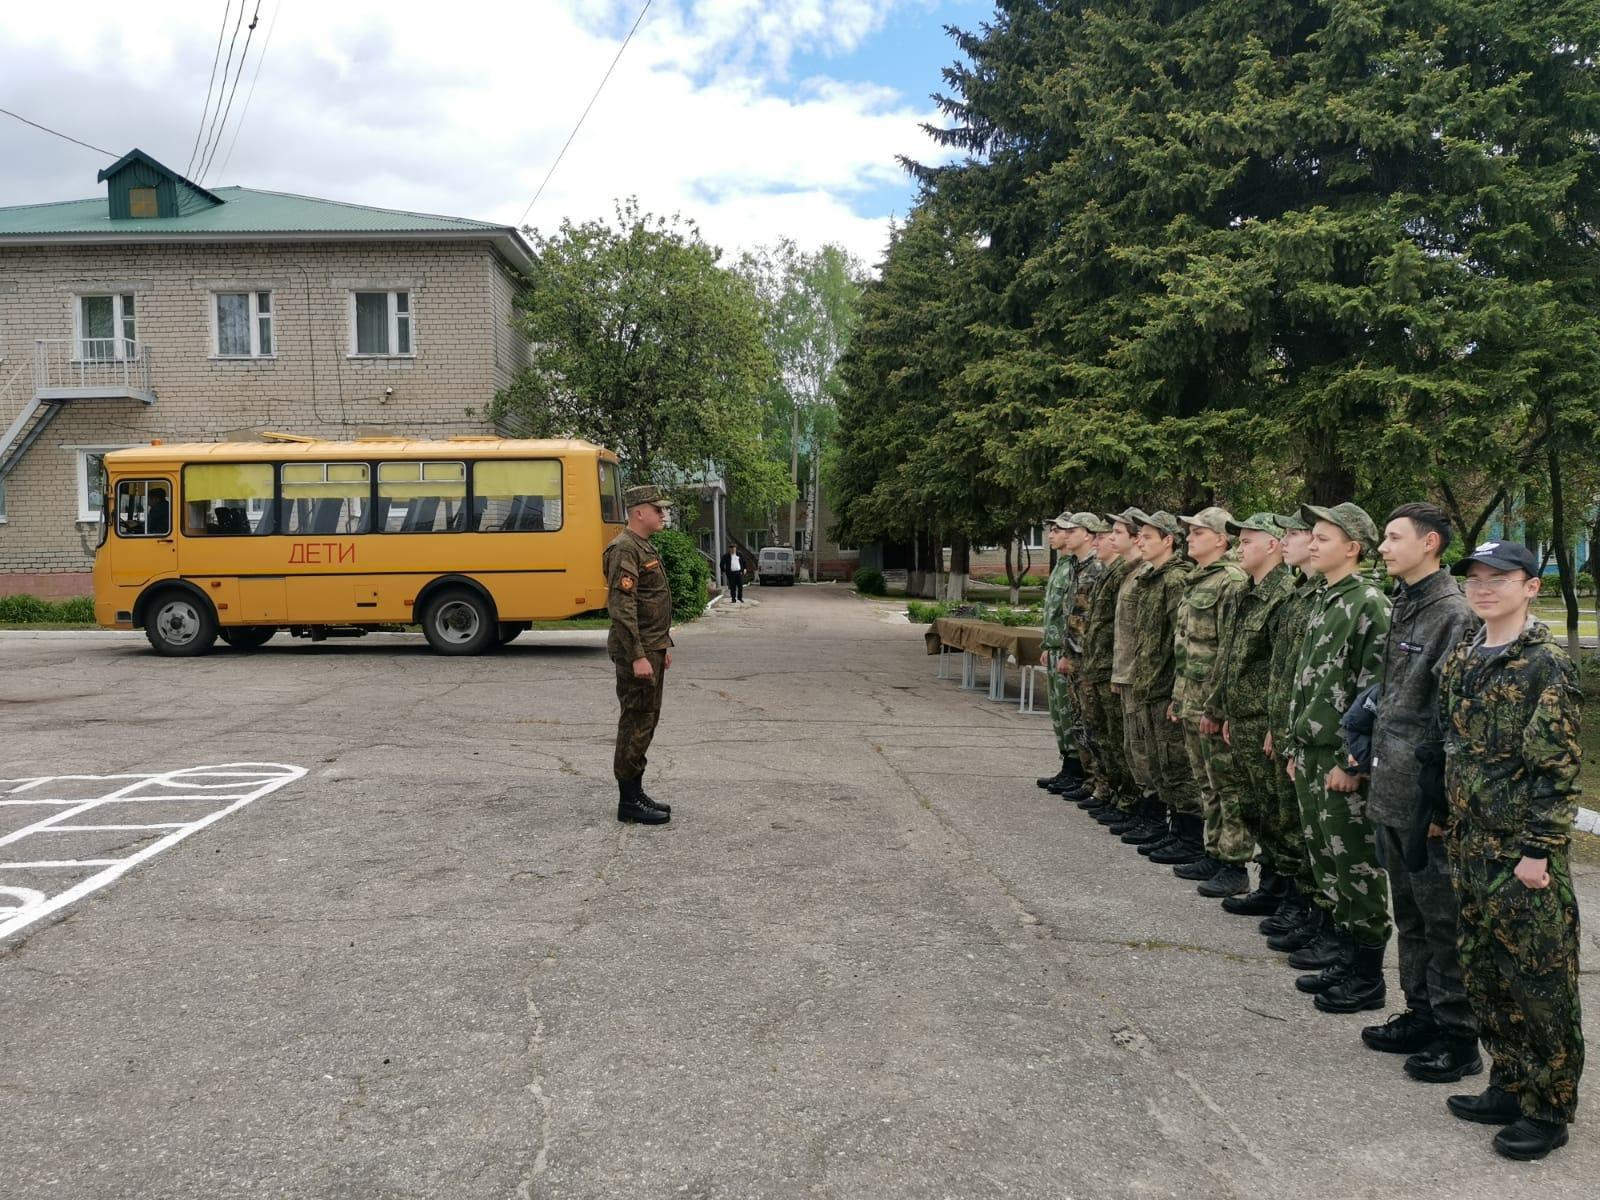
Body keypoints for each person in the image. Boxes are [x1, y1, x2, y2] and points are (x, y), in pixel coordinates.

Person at [1439, 540, 1584, 1161]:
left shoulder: (1544, 663)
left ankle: (1549, 1110)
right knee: (1485, 970)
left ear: (1531, 586)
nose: (1483, 587)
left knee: (1539, 983)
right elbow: (1454, 747)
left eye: (1499, 577)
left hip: (1520, 856)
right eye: (1474, 577)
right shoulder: (1465, 654)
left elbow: (1556, 773)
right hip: (1471, 846)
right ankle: (1510, 1082)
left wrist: (1538, 852)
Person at [1362, 503, 1482, 1081]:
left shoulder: (1452, 615)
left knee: (1442, 920)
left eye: (1392, 537)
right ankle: (1420, 1012)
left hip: (1424, 799)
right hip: (1392, 784)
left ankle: (1458, 1036)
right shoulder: (1408, 604)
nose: (1382, 547)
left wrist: (1438, 803)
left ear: (1430, 543)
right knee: (1408, 913)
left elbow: (1451, 717)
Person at [1284, 502, 1392, 1014]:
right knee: (1326, 860)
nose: (1313, 543)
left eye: (1323, 538)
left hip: (1338, 757)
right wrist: (1294, 746)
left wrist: (1353, 762)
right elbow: (1308, 682)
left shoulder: (1368, 602)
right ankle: (1347, 956)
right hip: (1311, 752)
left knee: (1355, 866)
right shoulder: (1328, 598)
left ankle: (1368, 978)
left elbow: (1374, 690)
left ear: (1353, 547)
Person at [1210, 514, 1298, 914]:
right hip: (1242, 718)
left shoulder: (1283, 595)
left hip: (1264, 721)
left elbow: (1282, 670)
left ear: (1274, 545)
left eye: (1247, 541)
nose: (1239, 548)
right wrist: (1227, 711)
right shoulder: (1248, 591)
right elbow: (1234, 659)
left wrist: (1275, 727)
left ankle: (1284, 891)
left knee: (1278, 815)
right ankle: (1271, 884)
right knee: (1255, 808)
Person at [1170, 507, 1250, 895]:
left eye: (1198, 532)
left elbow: (1228, 650)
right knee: (1206, 781)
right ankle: (1214, 851)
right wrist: (1178, 696)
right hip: (1191, 697)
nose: (1189, 538)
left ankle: (1234, 863)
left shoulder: (1231, 582)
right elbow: (1186, 646)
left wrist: (1217, 707)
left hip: (1211, 703)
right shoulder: (1199, 579)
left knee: (1225, 782)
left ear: (1221, 539)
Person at [1261, 513, 1323, 946]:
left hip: (1316, 738)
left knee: (1306, 830)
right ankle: (1294, 899)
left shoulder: (1346, 600)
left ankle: (1310, 908)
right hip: (1286, 726)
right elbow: (1285, 671)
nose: (1290, 541)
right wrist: (1276, 726)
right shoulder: (1302, 595)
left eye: (1295, 534)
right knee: (1284, 820)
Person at [1128, 511, 1203, 864]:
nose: (1139, 540)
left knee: (1176, 766)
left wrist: (1177, 693)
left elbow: (1180, 643)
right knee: (1159, 765)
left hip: (1164, 688)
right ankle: (1172, 829)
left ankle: (1188, 837)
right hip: (1148, 684)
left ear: (1168, 540)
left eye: (1146, 535)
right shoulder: (1152, 578)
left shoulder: (1175, 580)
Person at [604, 485, 677, 825]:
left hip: (651, 647)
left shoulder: (642, 546)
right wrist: (637, 655)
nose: (663, 514)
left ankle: (635, 791)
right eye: (657, 509)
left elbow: (652, 603)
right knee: (636, 720)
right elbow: (622, 606)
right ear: (638, 512)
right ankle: (628, 801)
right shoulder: (624, 548)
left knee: (646, 719)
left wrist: (663, 646)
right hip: (638, 651)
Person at [1107, 509, 1163, 846]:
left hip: (1145, 678)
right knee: (1134, 749)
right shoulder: (1134, 573)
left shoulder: (1157, 576)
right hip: (1129, 673)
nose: (1140, 540)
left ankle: (1154, 817)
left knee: (1147, 752)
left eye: (1145, 535)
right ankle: (1143, 811)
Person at [1083, 519, 1141, 833]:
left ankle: (1128, 798)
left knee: (1120, 741)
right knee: (1104, 737)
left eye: (1116, 533)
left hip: (1114, 669)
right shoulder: (1116, 572)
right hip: (1101, 664)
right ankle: (1114, 792)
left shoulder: (1130, 572)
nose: (1104, 540)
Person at [1059, 513, 1112, 816]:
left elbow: (1089, 620)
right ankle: (1090, 778)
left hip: (1088, 658)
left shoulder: (1097, 568)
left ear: (1090, 535)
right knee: (1080, 720)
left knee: (1094, 724)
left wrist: (1076, 653)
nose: (1066, 534)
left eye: (1072, 530)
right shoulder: (1075, 568)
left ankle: (1101, 783)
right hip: (1076, 655)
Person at [1037, 512, 1093, 799]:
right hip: (1058, 646)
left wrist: (1063, 647)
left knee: (1071, 713)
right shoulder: (1061, 565)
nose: (1053, 535)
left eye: (1059, 530)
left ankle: (1076, 769)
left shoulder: (1075, 565)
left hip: (1069, 649)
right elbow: (1053, 612)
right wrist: (1048, 645)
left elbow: (1074, 613)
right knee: (1059, 710)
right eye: (1055, 530)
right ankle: (1068, 766)